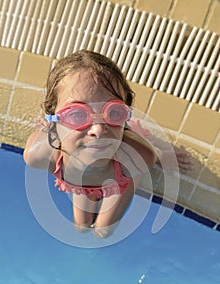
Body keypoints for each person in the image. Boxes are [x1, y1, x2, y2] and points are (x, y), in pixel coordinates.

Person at [24, 50, 193, 238]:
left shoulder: (137, 156)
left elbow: (148, 155)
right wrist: (49, 129)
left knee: (103, 232)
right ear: (54, 120)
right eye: (77, 115)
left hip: (119, 174)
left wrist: (162, 156)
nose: (98, 129)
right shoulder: (39, 154)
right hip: (80, 178)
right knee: (80, 227)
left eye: (113, 113)